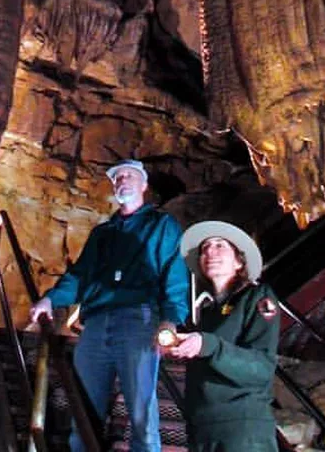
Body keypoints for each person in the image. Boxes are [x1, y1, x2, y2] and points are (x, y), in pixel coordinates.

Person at [29, 159, 189, 452]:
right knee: (84, 410)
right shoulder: (102, 234)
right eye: (117, 178)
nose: (121, 181)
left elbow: (174, 273)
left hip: (138, 319)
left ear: (143, 185)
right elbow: (80, 274)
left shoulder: (160, 225)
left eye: (128, 176)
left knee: (141, 411)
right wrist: (51, 298)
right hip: (96, 323)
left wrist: (171, 319)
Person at [163, 220, 280, 452]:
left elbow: (261, 368)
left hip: (242, 429)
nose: (209, 252)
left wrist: (209, 345)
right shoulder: (205, 312)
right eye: (205, 248)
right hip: (202, 429)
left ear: (239, 261)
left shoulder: (257, 298)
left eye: (219, 245)